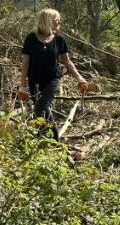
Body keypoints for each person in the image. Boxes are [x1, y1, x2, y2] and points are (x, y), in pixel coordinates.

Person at [19, 9, 87, 140]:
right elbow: (25, 63)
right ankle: (54, 140)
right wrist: (22, 86)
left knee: (40, 108)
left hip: (52, 80)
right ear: (47, 21)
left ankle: (42, 138)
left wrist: (80, 78)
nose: (59, 22)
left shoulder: (59, 39)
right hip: (35, 82)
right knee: (44, 111)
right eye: (57, 20)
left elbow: (67, 62)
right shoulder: (31, 38)